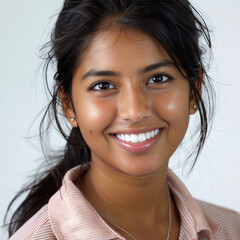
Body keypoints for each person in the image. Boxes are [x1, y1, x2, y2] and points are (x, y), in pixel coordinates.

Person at [4, 0, 240, 239]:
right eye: (103, 85)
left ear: (194, 91)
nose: (135, 111)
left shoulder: (232, 229)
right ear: (68, 104)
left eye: (158, 79)